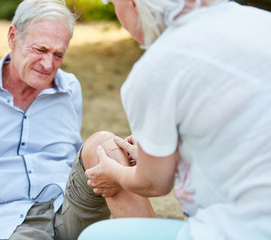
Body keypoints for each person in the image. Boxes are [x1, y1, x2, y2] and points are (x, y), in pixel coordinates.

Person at [0, 0, 155, 239]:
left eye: (58, 54)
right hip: (4, 224)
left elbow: (74, 158)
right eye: (40, 50)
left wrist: (122, 163)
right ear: (12, 37)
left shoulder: (69, 87)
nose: (49, 64)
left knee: (104, 143)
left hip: (68, 209)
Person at [82, 0, 271, 239]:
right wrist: (162, 156)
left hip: (243, 230)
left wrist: (114, 173)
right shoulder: (258, 21)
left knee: (95, 235)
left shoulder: (155, 68)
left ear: (132, 4)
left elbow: (154, 183)